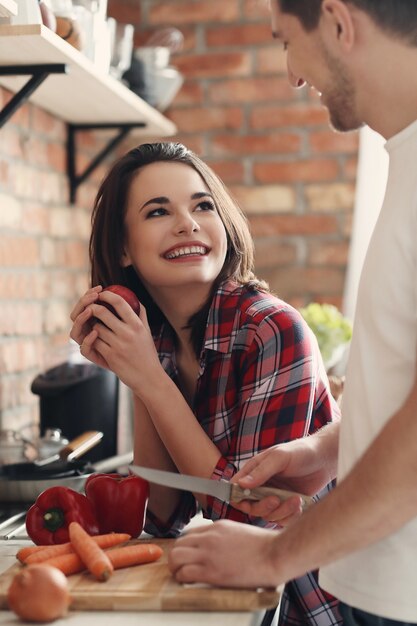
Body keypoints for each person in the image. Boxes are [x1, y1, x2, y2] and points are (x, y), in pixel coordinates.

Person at [168, 1, 417, 625]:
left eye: (286, 42)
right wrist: (325, 450)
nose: (292, 75)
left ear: (338, 21)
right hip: (377, 581)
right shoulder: (405, 162)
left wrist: (274, 555)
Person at [69, 141, 342, 625]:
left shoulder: (271, 329)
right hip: (263, 602)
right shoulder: (159, 341)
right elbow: (161, 513)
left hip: (334, 605)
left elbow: (249, 518)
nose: (188, 223)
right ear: (122, 249)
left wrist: (151, 380)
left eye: (203, 205)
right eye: (158, 211)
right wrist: (138, 374)